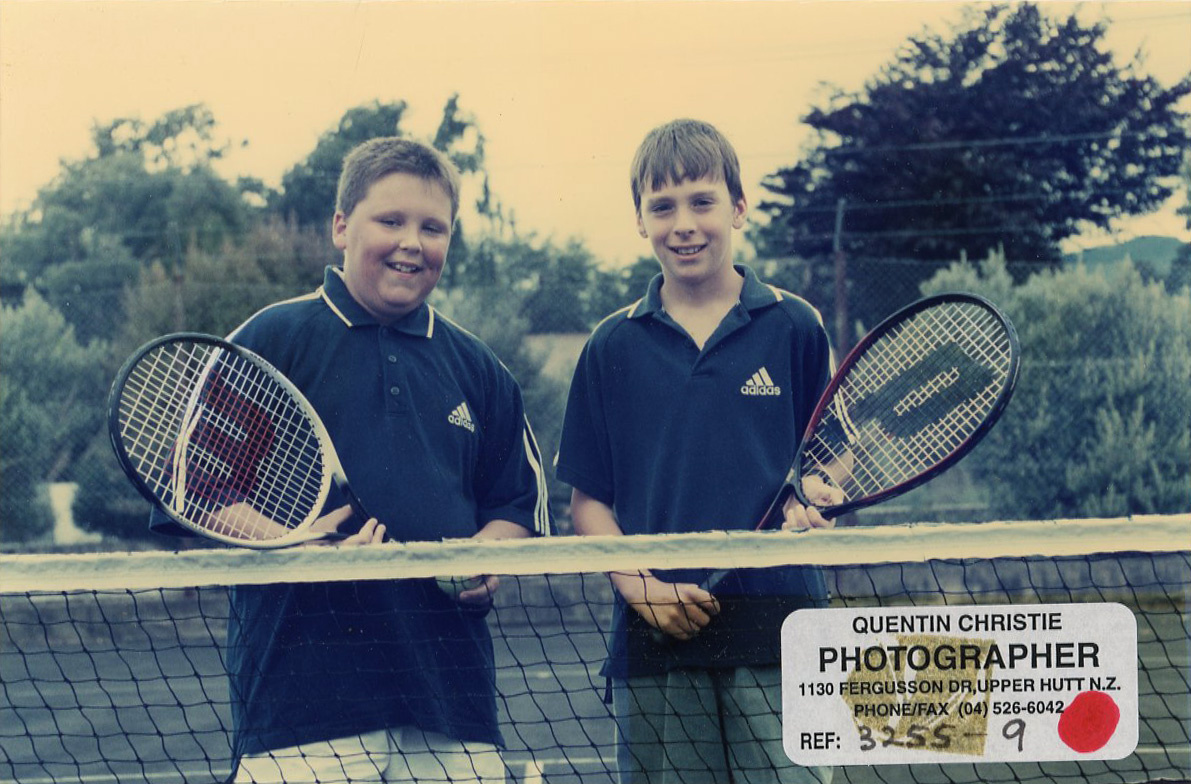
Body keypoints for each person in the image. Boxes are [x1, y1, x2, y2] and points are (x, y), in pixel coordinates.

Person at [150, 137, 552, 784]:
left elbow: (513, 506)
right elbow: (198, 494)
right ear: (341, 226)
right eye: (389, 221)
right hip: (302, 708)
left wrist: (484, 557)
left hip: (449, 700)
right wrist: (296, 544)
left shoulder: (478, 368)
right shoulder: (268, 342)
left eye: (432, 227)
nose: (411, 242)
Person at [555, 119, 840, 784]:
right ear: (640, 221)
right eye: (662, 207)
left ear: (738, 207)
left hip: (782, 630)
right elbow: (588, 505)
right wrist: (643, 592)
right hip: (656, 642)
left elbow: (830, 460)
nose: (683, 224)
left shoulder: (794, 326)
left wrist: (820, 494)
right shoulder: (610, 346)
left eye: (701, 202)